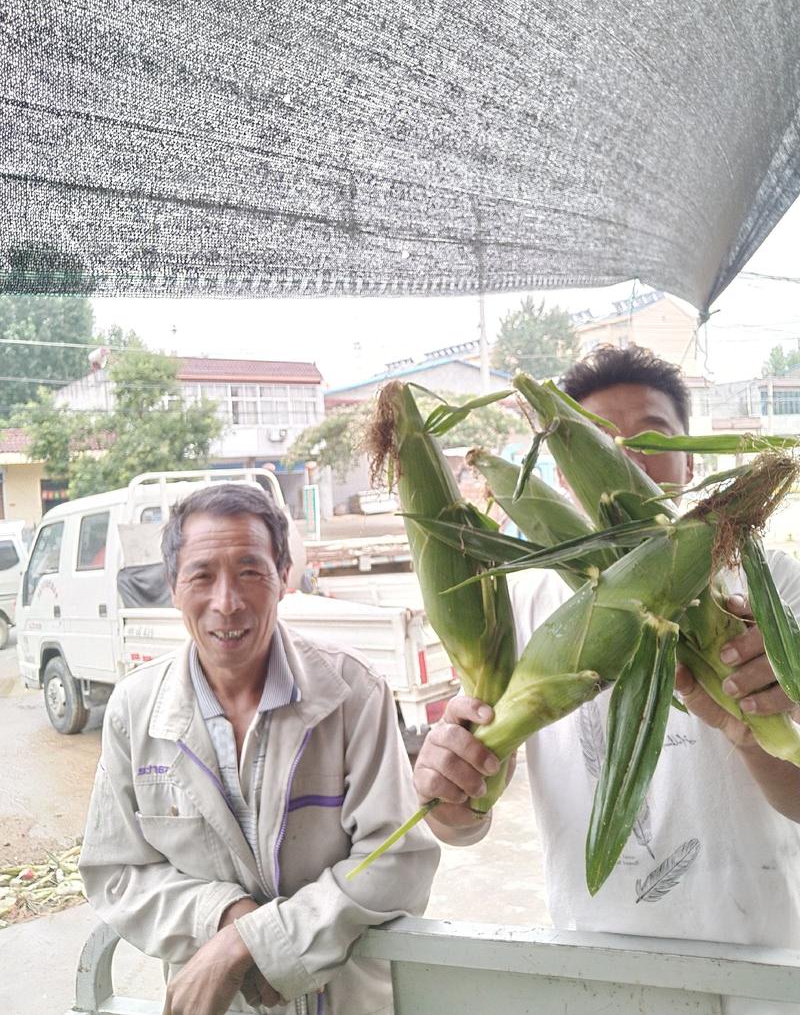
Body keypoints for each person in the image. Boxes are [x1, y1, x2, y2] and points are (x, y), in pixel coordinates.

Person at [414, 345, 800, 1009]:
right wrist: (448, 792)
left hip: (763, 967)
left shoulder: (775, 589)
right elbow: (463, 821)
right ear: (562, 469)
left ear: (689, 455)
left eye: (651, 436)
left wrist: (751, 730)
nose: (626, 459)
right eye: (597, 441)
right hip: (596, 969)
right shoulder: (522, 605)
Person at [80, 483, 439, 1015]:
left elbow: (398, 860)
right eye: (202, 575)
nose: (226, 602)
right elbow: (116, 872)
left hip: (344, 1000)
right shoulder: (136, 711)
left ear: (284, 578)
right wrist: (222, 916)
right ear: (173, 587)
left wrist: (252, 941)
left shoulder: (351, 692)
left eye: (251, 571)